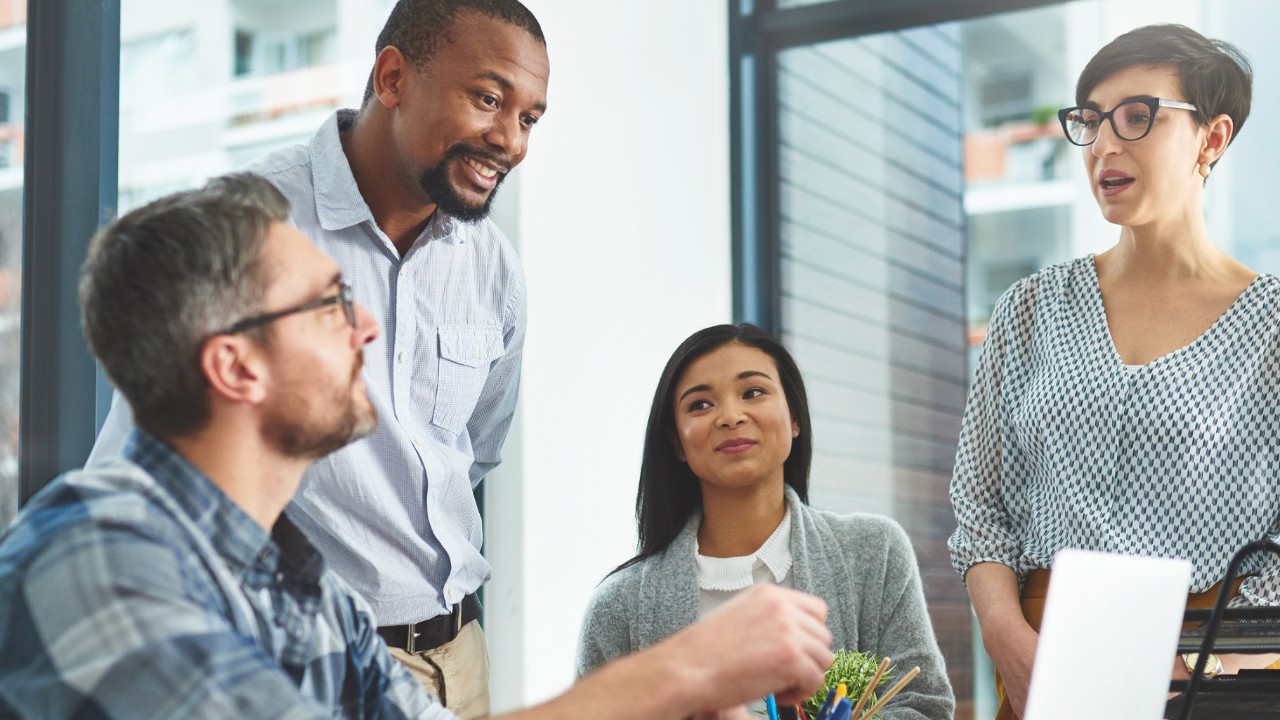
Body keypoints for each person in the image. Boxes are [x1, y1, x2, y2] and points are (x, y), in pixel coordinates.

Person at [0, 175, 836, 720]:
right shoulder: (93, 554)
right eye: (331, 304)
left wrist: (697, 686)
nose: (367, 326)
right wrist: (682, 671)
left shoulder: (304, 587)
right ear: (234, 364)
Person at [87, 2, 546, 714]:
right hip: (305, 660)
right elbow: (143, 461)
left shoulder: (494, 269)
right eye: (488, 99)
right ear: (393, 77)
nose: (510, 141)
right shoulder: (255, 227)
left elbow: (473, 452)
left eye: (528, 119)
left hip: (461, 655)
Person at [947, 24, 1280, 720]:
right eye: (1089, 122)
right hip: (1040, 658)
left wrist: (1206, 668)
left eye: (1137, 116)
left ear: (1211, 139)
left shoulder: (1272, 326)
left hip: (1216, 663)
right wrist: (1006, 638)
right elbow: (980, 511)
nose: (1103, 145)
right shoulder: (1030, 308)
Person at [577, 324, 954, 719]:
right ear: (676, 443)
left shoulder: (874, 552)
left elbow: (924, 707)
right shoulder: (618, 607)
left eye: (753, 392)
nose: (730, 416)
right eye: (701, 404)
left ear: (794, 417)